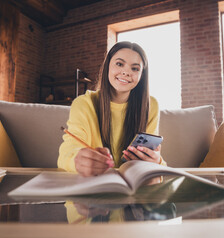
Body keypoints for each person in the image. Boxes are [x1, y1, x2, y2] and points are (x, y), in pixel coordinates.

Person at [57, 41, 166, 177]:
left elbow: (155, 159)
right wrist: (77, 160)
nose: (126, 72)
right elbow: (67, 151)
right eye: (119, 64)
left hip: (135, 191)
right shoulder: (83, 103)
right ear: (107, 66)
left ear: (142, 75)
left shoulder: (151, 105)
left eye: (135, 68)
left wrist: (156, 160)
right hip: (92, 187)